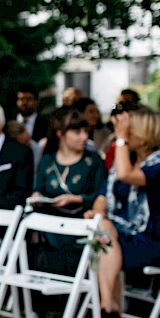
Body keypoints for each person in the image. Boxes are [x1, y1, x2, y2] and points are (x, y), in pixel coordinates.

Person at [84, 106, 160, 318]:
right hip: (123, 236)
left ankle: (109, 313)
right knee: (103, 232)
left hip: (155, 240)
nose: (125, 134)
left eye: (130, 130)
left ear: (146, 134)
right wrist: (97, 214)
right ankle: (109, 308)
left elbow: (126, 176)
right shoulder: (125, 159)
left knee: (104, 245)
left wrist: (118, 139)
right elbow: (101, 197)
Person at [28, 106, 107, 274]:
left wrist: (78, 199)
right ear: (60, 133)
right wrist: (37, 197)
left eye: (86, 131)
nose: (84, 137)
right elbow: (39, 188)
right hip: (49, 231)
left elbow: (102, 194)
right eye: (77, 132)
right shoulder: (48, 159)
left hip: (80, 226)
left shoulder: (93, 161)